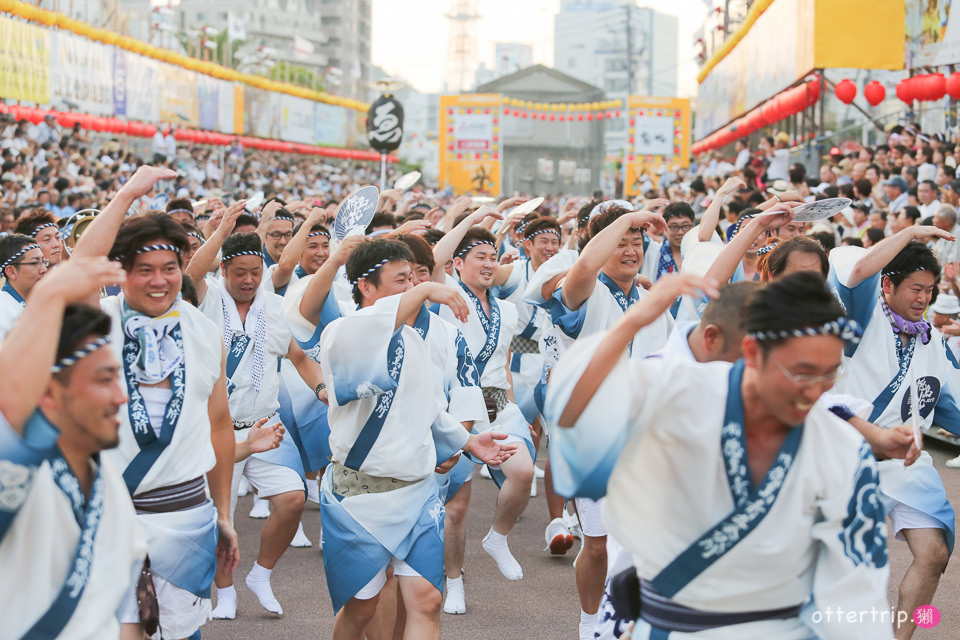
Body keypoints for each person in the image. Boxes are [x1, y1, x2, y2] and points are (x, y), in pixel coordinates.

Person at [546, 272, 894, 639]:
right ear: (752, 352)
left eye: (829, 375)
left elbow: (857, 590)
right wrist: (633, 322)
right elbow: (572, 412)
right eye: (800, 372)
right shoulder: (678, 391)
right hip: (663, 625)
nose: (814, 391)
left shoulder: (842, 448)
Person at [285, 237, 515, 639]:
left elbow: (425, 407)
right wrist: (426, 289)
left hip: (418, 489)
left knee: (427, 602)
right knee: (361, 608)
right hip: (360, 496)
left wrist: (468, 443)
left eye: (414, 279)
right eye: (400, 281)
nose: (411, 289)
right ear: (365, 287)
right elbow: (369, 331)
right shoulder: (342, 333)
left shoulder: (415, 339)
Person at [72, 166, 239, 640]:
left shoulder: (205, 331)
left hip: (185, 514)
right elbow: (76, 270)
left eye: (169, 269)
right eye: (143, 269)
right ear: (120, 271)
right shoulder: (94, 324)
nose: (158, 281)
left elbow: (220, 424)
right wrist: (127, 193)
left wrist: (223, 513)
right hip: (105, 516)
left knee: (181, 636)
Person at [0, 257, 150, 639]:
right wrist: (48, 295)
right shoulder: (18, 472)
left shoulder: (108, 484)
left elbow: (116, 615)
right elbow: (11, 398)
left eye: (117, 378)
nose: (121, 397)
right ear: (49, 392)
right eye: (103, 380)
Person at [545, 203, 671, 640]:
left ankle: (629, 624)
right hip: (593, 437)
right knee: (597, 546)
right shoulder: (583, 289)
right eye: (621, 243)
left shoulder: (650, 298)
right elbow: (583, 265)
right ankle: (589, 622)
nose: (631, 250)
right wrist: (628, 217)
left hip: (644, 439)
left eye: (637, 242)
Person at [829, 227, 959, 640]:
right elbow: (855, 273)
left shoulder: (934, 342)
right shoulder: (859, 317)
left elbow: (951, 404)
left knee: (934, 553)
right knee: (842, 568)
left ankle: (899, 636)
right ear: (888, 285)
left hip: (906, 461)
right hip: (847, 456)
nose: (923, 298)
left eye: (930, 290)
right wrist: (911, 233)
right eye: (915, 288)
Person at [196, 232, 325, 620]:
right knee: (221, 517)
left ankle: (261, 575)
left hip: (267, 426)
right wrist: (220, 230)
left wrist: (321, 388)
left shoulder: (274, 306)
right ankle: (225, 593)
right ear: (223, 270)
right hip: (217, 430)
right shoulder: (206, 300)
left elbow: (299, 357)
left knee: (292, 499)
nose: (249, 280)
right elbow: (190, 273)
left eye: (256, 272)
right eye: (239, 273)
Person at [437, 227, 538, 588]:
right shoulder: (446, 300)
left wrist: (516, 409)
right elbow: (435, 259)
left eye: (493, 257)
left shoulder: (508, 310)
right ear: (458, 263)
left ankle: (498, 537)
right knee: (456, 509)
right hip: (459, 410)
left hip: (498, 403)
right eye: (480, 257)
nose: (488, 264)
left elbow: (505, 361)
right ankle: (454, 581)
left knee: (523, 472)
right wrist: (476, 216)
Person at [0, 234, 48, 341]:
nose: (44, 269)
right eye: (35, 262)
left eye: (44, 262)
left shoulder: (40, 303)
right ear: (11, 272)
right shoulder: (3, 309)